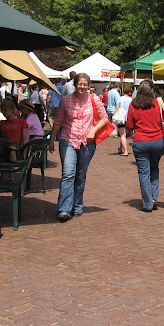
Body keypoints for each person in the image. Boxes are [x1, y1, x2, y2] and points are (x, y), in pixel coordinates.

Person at [49, 73, 108, 222]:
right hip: (68, 140)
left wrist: (93, 131)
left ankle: (77, 205)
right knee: (68, 174)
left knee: (80, 176)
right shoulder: (66, 100)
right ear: (75, 85)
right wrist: (52, 139)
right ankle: (64, 209)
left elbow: (104, 118)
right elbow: (59, 120)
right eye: (80, 84)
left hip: (87, 143)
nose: (82, 87)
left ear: (89, 86)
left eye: (85, 84)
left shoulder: (93, 99)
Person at [126, 79, 164, 212]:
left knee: (144, 172)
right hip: (157, 140)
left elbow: (129, 125)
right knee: (154, 168)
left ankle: (147, 203)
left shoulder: (134, 105)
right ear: (152, 90)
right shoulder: (158, 103)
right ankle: (154, 197)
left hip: (140, 141)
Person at [116, 85, 133, 157]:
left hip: (121, 118)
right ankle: (120, 149)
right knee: (124, 135)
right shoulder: (131, 100)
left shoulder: (120, 99)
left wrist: (115, 115)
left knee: (122, 135)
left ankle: (125, 151)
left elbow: (117, 108)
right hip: (128, 118)